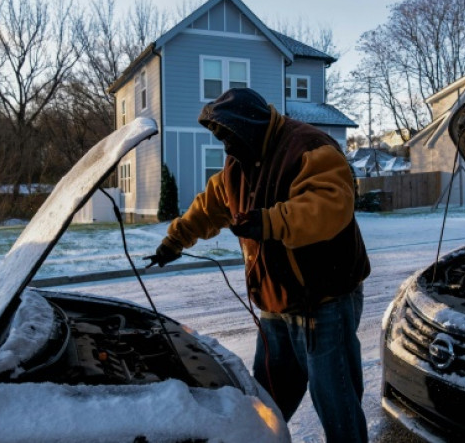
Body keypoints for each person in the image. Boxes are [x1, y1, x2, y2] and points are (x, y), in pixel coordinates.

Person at [148, 87, 370, 442]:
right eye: (221, 139)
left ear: (252, 125)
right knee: (267, 400)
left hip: (322, 301)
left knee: (336, 403)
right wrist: (174, 241)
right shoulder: (238, 163)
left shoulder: (310, 148)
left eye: (230, 137)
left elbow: (330, 207)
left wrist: (269, 222)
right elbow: (209, 207)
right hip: (274, 301)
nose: (226, 148)